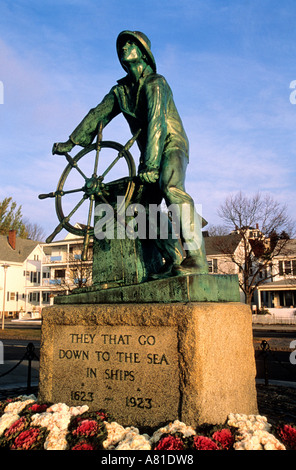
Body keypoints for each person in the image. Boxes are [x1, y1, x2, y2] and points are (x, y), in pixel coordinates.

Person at [53, 30, 208, 278]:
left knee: (170, 187)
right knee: (141, 209)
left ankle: (197, 260)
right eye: (121, 45)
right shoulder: (121, 92)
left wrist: (151, 164)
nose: (124, 47)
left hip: (171, 144)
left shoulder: (156, 83)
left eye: (130, 43)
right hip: (150, 154)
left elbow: (157, 123)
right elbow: (97, 115)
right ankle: (175, 260)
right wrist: (71, 143)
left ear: (144, 53)